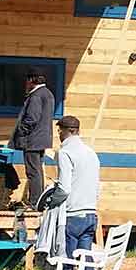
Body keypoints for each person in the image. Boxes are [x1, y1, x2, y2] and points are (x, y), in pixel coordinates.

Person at [54, 115, 100, 260]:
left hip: (73, 214)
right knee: (85, 261)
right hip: (91, 213)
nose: (59, 135)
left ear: (65, 131)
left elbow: (65, 188)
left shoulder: (65, 153)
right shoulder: (91, 152)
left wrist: (51, 202)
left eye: (59, 131)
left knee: (67, 261)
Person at [11, 72, 56, 209]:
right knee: (37, 171)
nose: (25, 84)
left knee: (32, 171)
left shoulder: (36, 95)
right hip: (41, 139)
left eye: (27, 81)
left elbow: (32, 118)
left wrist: (20, 131)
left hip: (32, 140)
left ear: (32, 80)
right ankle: (38, 200)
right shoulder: (48, 93)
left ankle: (34, 202)